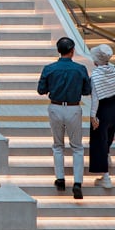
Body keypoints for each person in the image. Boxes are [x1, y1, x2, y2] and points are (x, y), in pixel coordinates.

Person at [37, 36, 92, 199]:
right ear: (72, 50)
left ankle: (60, 179)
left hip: (55, 106)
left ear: (59, 50)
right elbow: (87, 90)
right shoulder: (80, 69)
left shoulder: (49, 68)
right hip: (74, 108)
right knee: (77, 147)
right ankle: (77, 183)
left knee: (58, 145)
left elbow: (41, 90)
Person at [89, 43, 115, 189]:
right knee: (108, 137)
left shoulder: (96, 75)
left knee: (99, 142)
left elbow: (95, 98)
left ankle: (105, 176)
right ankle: (108, 156)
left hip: (102, 110)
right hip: (114, 108)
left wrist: (92, 116)